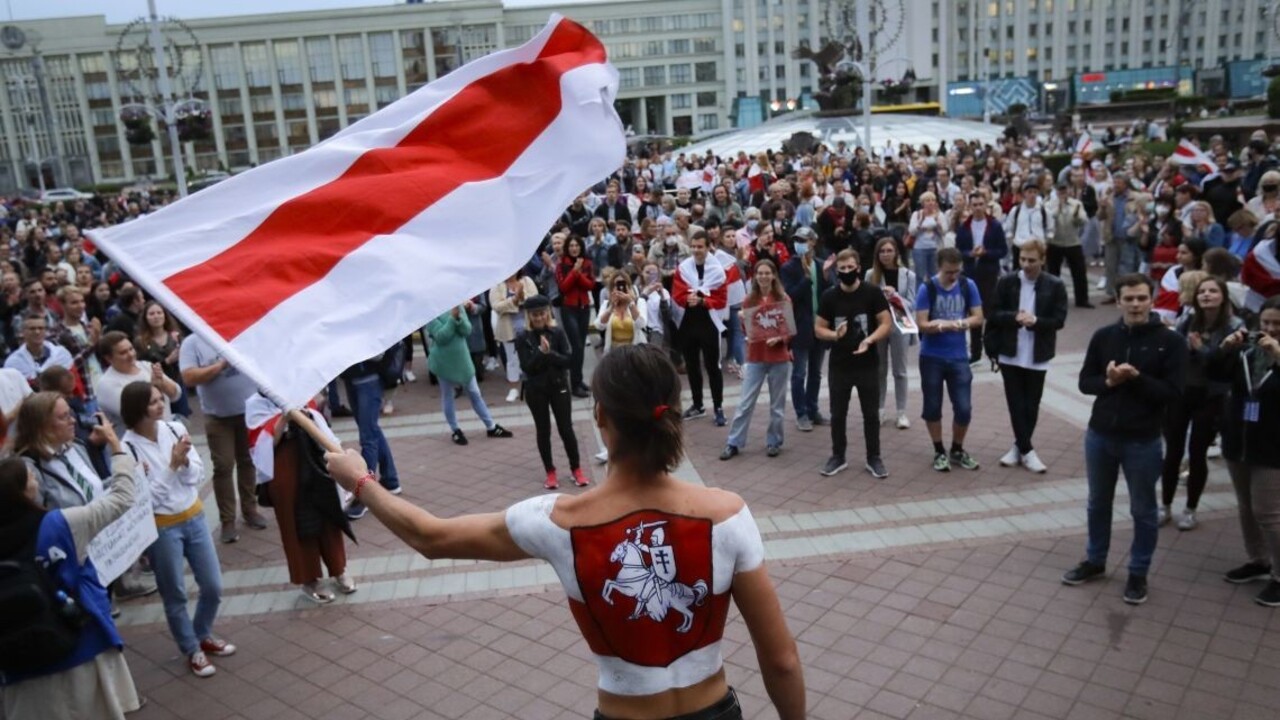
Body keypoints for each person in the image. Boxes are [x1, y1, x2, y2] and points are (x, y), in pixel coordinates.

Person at [324, 344, 805, 720]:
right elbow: (781, 659)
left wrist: (360, 481)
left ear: (600, 417)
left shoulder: (556, 522)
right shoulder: (727, 514)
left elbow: (431, 537)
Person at [1065, 273, 1187, 605]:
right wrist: (1109, 383)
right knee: (1097, 502)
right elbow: (1085, 383)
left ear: (1152, 300)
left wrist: (1136, 378)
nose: (1135, 304)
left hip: (1143, 440)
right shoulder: (1104, 336)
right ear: (1118, 301)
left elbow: (1174, 393)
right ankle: (1095, 560)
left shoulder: (1171, 342)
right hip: (1100, 434)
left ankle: (1138, 572)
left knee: (1143, 509)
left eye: (1141, 298)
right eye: (1129, 299)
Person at [0, 439, 143, 719]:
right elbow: (121, 499)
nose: (35, 479)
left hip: (17, 665)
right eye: (29, 476)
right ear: (21, 492)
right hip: (79, 647)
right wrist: (119, 452)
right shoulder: (59, 524)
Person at [119, 381, 236, 676]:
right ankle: (191, 649)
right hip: (162, 527)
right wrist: (172, 466)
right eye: (153, 402)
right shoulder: (127, 448)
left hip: (194, 516)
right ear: (137, 410)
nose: (160, 405)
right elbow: (147, 498)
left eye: (161, 399)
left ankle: (202, 633)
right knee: (175, 594)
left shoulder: (174, 429)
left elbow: (196, 474)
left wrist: (183, 465)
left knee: (213, 585)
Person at [245, 392, 358, 603]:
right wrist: (285, 417)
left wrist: (307, 410)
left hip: (312, 453)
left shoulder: (297, 387)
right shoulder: (255, 404)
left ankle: (338, 569)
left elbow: (318, 407)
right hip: (283, 462)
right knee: (294, 520)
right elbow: (262, 445)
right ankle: (309, 579)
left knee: (328, 509)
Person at [1160, 277, 1244, 530]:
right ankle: (1164, 506)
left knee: (1197, 453)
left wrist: (1200, 349)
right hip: (1183, 391)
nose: (1207, 295)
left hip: (1211, 396)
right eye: (1202, 292)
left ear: (1223, 296)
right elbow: (1176, 352)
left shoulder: (1235, 326)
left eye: (1213, 291)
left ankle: (1190, 509)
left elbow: (1224, 366)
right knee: (1173, 451)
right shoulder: (1189, 320)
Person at [1212, 296, 1280, 607]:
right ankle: (1258, 560)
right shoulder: (1245, 352)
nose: (1269, 329)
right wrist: (1224, 348)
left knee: (1268, 512)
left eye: (1277, 325)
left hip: (1272, 448)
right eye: (1265, 323)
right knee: (1246, 507)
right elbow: (1213, 374)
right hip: (1238, 441)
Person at [985, 240, 1069, 474]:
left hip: (1038, 352)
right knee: (1015, 403)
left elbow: (1059, 320)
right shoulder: (1007, 281)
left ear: (1042, 259)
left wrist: (1037, 321)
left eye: (1032, 260)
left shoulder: (1055, 285)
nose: (1026, 264)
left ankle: (1018, 447)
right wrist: (1015, 317)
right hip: (1010, 351)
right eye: (1023, 259)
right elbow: (993, 313)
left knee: (1031, 404)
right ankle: (1027, 450)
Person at [179, 332, 265, 543]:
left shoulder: (239, 333)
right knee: (224, 466)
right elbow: (189, 377)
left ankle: (250, 509)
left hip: (249, 412)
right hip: (217, 417)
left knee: (248, 461)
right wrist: (220, 366)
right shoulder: (193, 342)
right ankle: (227, 520)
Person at [815, 249, 892, 478]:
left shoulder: (872, 292)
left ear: (858, 267)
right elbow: (818, 328)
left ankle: (874, 457)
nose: (847, 272)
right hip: (840, 364)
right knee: (837, 414)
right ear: (837, 270)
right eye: (842, 269)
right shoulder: (830, 296)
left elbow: (886, 323)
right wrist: (834, 335)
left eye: (851, 267)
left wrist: (870, 339)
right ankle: (838, 456)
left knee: (871, 414)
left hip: (867, 363)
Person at [914, 248, 984, 472]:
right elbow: (922, 324)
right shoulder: (928, 288)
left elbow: (978, 317)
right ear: (939, 268)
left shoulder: (967, 285)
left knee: (964, 408)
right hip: (932, 355)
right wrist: (940, 325)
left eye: (956, 271)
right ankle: (938, 450)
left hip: (958, 356)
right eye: (948, 272)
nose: (953, 276)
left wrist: (962, 323)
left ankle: (957, 448)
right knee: (933, 406)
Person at [720, 260, 794, 461]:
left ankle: (774, 441)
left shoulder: (783, 298)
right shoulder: (748, 300)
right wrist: (745, 321)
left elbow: (789, 329)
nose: (763, 276)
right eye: (759, 273)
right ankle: (733, 442)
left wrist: (780, 339)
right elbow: (747, 332)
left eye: (766, 273)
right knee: (745, 402)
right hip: (755, 357)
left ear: (773, 275)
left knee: (777, 405)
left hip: (778, 357)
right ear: (755, 276)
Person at [513, 295, 587, 490]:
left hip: (559, 386)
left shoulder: (557, 332)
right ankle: (550, 471)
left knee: (566, 428)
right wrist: (540, 353)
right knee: (543, 430)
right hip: (536, 390)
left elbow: (568, 359)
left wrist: (550, 353)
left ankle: (576, 469)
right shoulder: (522, 337)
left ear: (548, 313)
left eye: (542, 313)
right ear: (529, 316)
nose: (538, 318)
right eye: (534, 315)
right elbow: (527, 367)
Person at [426, 303, 514, 446]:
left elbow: (467, 330)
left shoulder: (456, 304)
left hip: (462, 358)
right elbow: (441, 337)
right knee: (447, 395)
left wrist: (458, 318)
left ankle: (491, 426)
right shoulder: (429, 312)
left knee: (474, 392)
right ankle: (455, 430)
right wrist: (453, 319)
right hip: (443, 362)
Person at [672, 231, 729, 426]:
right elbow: (677, 293)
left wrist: (703, 300)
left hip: (709, 323)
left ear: (708, 247)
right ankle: (698, 405)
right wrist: (687, 298)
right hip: (688, 323)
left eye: (700, 247)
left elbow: (721, 299)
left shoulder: (717, 270)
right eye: (693, 246)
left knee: (713, 366)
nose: (696, 250)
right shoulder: (684, 268)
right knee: (692, 365)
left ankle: (718, 407)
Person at [780, 228, 830, 432]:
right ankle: (801, 413)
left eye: (804, 240)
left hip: (820, 325)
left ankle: (813, 409)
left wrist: (827, 277)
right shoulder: (789, 267)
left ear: (813, 242)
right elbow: (789, 296)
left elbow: (828, 294)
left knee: (816, 373)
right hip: (801, 327)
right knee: (799, 372)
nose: (799, 244)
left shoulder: (820, 264)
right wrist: (806, 278)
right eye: (797, 240)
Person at [866, 237, 917, 430]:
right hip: (879, 326)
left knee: (900, 370)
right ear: (877, 255)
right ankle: (879, 410)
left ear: (896, 252)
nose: (886, 255)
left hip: (900, 326)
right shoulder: (871, 275)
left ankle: (901, 412)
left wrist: (895, 296)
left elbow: (912, 303)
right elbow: (866, 301)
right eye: (882, 251)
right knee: (879, 369)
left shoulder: (908, 275)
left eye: (889, 251)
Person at [955, 190, 1009, 365]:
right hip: (971, 275)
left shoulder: (994, 225)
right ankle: (976, 352)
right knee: (973, 313)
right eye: (975, 205)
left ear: (986, 205)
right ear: (970, 206)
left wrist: (986, 253)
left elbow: (1002, 250)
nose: (978, 208)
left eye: (981, 204)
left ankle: (993, 349)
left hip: (989, 274)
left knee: (991, 313)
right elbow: (958, 251)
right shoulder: (964, 227)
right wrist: (970, 254)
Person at [93, 331, 181, 436]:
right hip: (137, 444)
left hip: (166, 433)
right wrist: (154, 387)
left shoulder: (146, 366)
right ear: (109, 358)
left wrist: (162, 383)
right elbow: (136, 413)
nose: (130, 355)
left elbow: (176, 394)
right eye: (123, 353)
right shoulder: (106, 385)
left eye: (131, 349)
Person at [556, 235, 597, 398]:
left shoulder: (587, 263)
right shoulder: (561, 265)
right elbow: (564, 287)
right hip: (569, 308)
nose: (574, 248)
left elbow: (590, 285)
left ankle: (578, 381)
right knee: (577, 346)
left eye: (577, 245)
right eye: (571, 245)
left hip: (584, 307)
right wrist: (575, 272)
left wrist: (578, 273)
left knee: (579, 347)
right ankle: (574, 383)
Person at [489, 272, 539, 404]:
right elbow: (496, 306)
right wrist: (514, 300)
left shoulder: (527, 281)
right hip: (508, 329)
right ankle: (513, 388)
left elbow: (535, 300)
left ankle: (533, 384)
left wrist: (522, 297)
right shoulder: (497, 285)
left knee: (532, 356)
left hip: (528, 327)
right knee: (512, 359)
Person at [1046, 179, 1093, 308]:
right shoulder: (1049, 204)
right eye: (1060, 190)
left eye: (1065, 189)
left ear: (1069, 190)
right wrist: (1059, 206)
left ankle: (1082, 300)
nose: (1063, 193)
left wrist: (1077, 215)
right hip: (1055, 243)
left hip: (1073, 242)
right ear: (1056, 191)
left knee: (1079, 273)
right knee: (1053, 273)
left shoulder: (1076, 204)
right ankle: (1052, 300)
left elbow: (1083, 221)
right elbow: (1050, 219)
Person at [3, 312, 73, 384]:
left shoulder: (61, 354)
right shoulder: (13, 362)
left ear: (46, 331)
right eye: (32, 329)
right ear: (23, 332)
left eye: (41, 328)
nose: (37, 332)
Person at [907, 191, 949, 280]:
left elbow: (944, 231)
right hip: (919, 248)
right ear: (923, 203)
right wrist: (920, 225)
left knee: (934, 276)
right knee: (920, 276)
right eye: (928, 200)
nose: (931, 203)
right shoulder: (917, 214)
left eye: (933, 200)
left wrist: (938, 225)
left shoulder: (939, 215)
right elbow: (911, 231)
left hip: (935, 248)